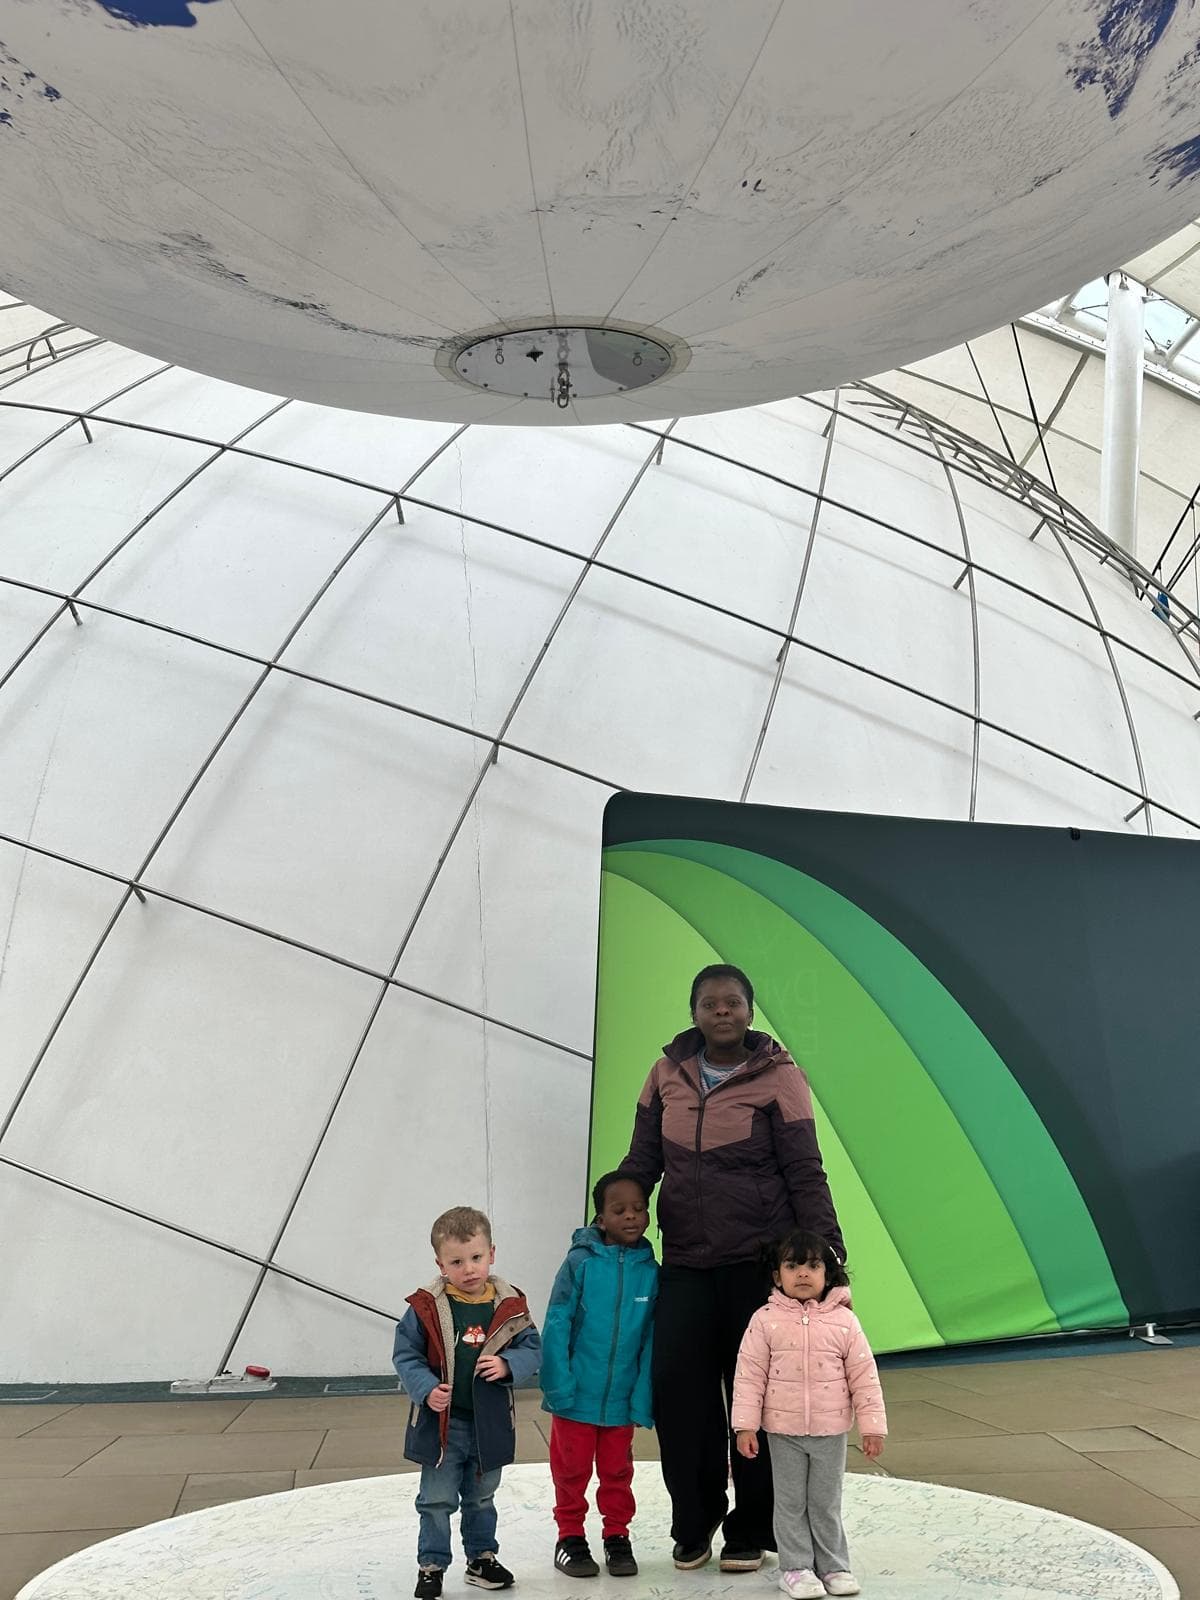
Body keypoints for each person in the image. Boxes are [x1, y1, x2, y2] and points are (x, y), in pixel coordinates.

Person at [618, 963, 844, 1574]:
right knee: (680, 1397)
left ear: (750, 1010)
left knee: (757, 1402)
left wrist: (830, 1259)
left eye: (733, 1003)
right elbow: (642, 1160)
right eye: (710, 1003)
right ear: (693, 1010)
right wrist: (606, 1228)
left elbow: (805, 1170)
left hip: (754, 1266)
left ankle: (750, 1529)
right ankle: (694, 1524)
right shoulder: (665, 1074)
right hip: (686, 1265)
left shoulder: (781, 1076)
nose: (722, 1011)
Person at [393, 1205, 543, 1599]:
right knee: (436, 1499)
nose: (469, 1268)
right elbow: (405, 1354)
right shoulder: (426, 1307)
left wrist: (510, 1363)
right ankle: (432, 1565)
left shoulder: (510, 1306)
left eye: (476, 1258)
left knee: (481, 1497)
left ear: (491, 1253)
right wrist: (425, 1387)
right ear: (441, 1263)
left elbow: (533, 1348)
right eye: (457, 1261)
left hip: (488, 1425)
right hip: (443, 1426)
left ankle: (481, 1559)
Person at [732, 1230, 886, 1599]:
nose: (803, 1273)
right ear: (777, 1276)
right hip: (783, 1433)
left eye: (813, 1265)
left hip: (830, 1433)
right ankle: (797, 1568)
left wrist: (873, 1426)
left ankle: (833, 1566)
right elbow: (749, 1375)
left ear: (828, 1274)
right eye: (792, 1265)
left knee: (825, 1502)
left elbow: (864, 1376)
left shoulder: (845, 1322)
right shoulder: (764, 1320)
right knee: (789, 1503)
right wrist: (744, 1426)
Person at [541, 1171, 658, 1580]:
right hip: (575, 1395)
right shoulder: (580, 1263)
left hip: (621, 1401)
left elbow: (650, 1339)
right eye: (619, 1210)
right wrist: (558, 1384)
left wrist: (642, 1397)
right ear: (601, 1218)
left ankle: (617, 1536)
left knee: (617, 1472)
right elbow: (557, 1321)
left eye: (639, 1208)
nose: (631, 1217)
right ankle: (569, 1537)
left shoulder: (651, 1271)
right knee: (571, 1471)